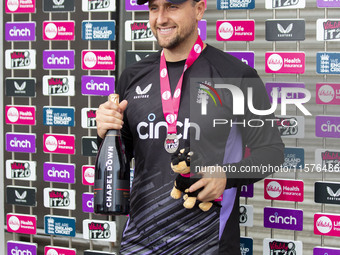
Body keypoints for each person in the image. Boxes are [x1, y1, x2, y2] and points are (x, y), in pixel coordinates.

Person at [96, 0, 284, 254]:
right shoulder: (132, 76)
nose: (160, 18)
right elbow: (125, 154)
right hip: (139, 243)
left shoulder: (237, 76)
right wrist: (106, 133)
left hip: (207, 243)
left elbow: (272, 152)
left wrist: (227, 176)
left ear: (199, 9)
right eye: (154, 8)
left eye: (172, 6)